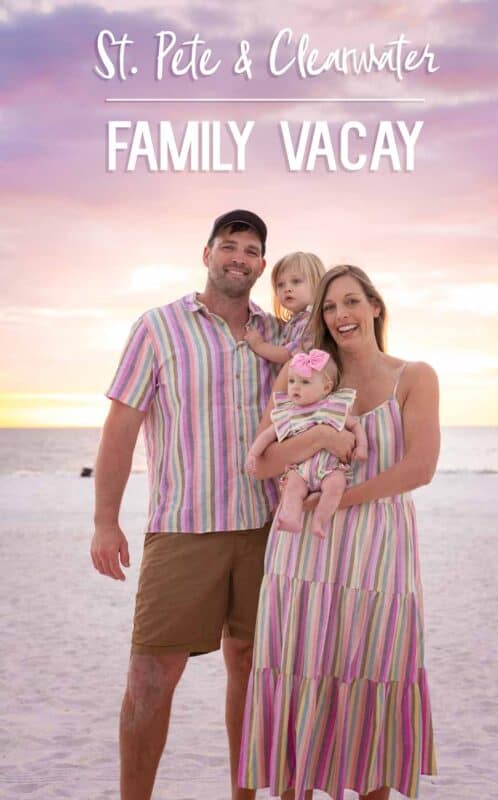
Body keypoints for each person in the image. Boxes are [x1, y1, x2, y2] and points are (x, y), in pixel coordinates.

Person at [90, 209, 285, 800]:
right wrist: (105, 520)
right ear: (206, 254)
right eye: (229, 246)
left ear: (262, 265)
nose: (239, 259)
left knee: (251, 670)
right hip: (183, 531)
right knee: (151, 676)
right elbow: (120, 429)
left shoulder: (278, 337)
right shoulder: (157, 327)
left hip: (265, 530)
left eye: (251, 252)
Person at [238, 265, 439, 800]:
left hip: (378, 553)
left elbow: (419, 468)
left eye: (351, 302)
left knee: (374, 669)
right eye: (329, 307)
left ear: (375, 306)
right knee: (297, 675)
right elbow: (260, 462)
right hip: (301, 554)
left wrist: (339, 501)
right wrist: (322, 434)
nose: (341, 315)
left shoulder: (414, 376)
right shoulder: (304, 376)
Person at [246, 348, 367, 538]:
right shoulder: (288, 412)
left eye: (305, 382)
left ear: (326, 388)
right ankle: (291, 518)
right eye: (292, 381)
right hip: (300, 471)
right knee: (292, 488)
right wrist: (253, 454)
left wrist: (361, 447)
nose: (295, 387)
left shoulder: (333, 407)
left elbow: (355, 426)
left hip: (329, 468)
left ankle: (319, 520)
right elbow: (267, 435)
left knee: (336, 486)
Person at [244, 251, 325, 364]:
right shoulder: (295, 321)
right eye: (281, 284)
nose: (287, 289)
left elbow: (288, 355)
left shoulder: (312, 322)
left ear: (318, 284)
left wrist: (259, 345)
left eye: (296, 281)